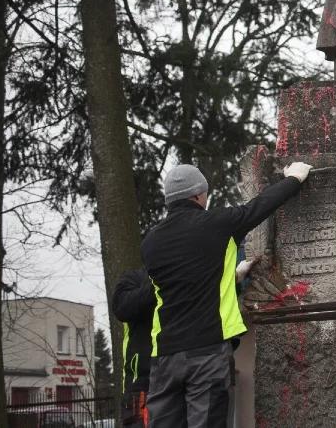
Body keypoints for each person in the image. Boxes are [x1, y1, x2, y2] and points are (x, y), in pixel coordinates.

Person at [141, 161, 312, 428]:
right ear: (198, 195)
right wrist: (294, 179)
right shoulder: (217, 224)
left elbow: (181, 283)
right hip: (206, 350)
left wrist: (233, 275)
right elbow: (260, 206)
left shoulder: (150, 242)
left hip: (164, 355)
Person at [112, 268, 155, 427]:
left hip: (174, 375)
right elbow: (121, 308)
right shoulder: (135, 277)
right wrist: (158, 285)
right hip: (141, 382)